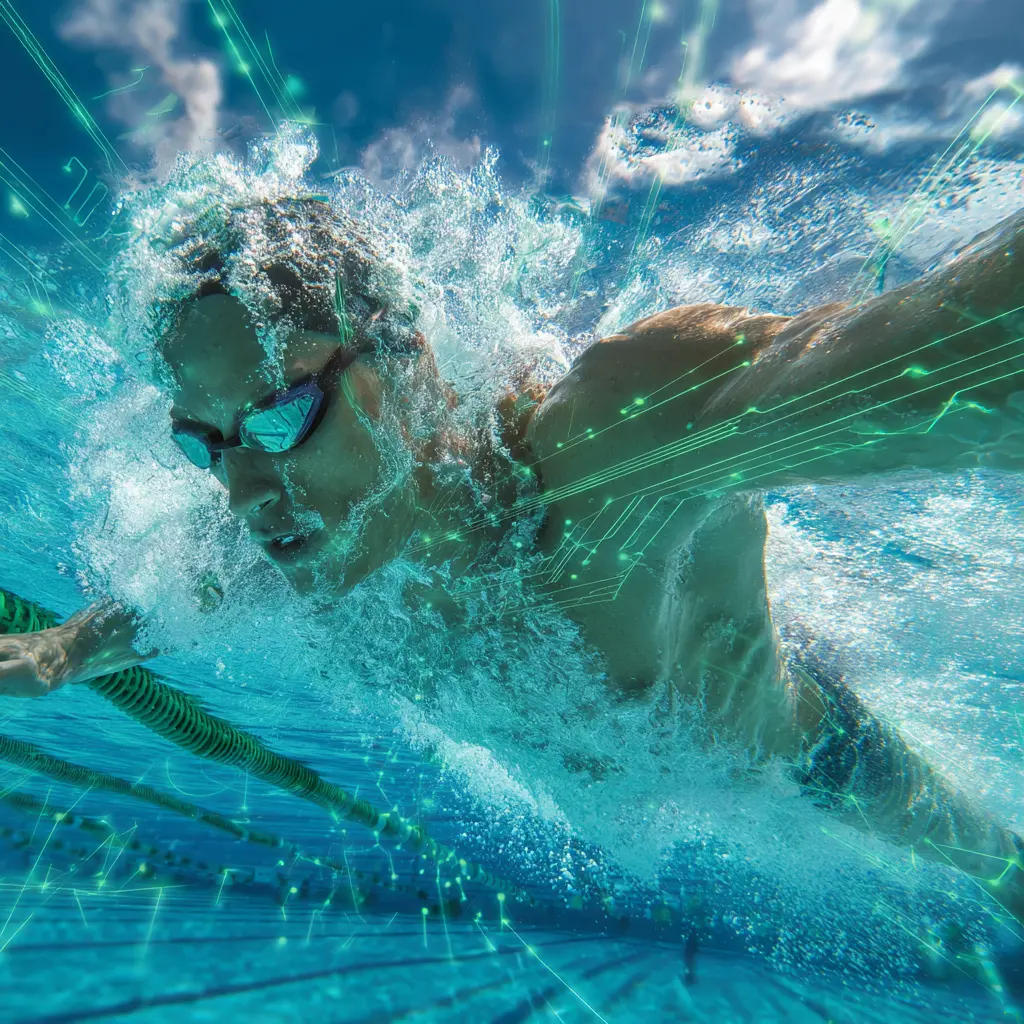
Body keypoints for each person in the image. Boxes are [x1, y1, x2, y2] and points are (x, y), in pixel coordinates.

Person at [0, 191, 1022, 923]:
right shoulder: (299, 529)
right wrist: (54, 654)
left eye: (274, 420)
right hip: (662, 779)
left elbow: (933, 352)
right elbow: (185, 589)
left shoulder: (601, 448)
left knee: (993, 866)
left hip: (810, 757)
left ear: (405, 358)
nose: (242, 491)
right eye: (203, 443)